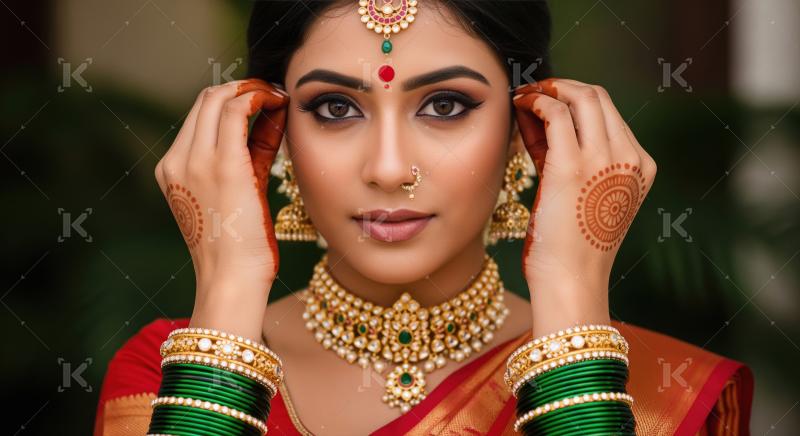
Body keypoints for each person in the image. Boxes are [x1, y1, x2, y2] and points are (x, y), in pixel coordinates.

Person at [94, 1, 754, 435]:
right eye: (334, 109)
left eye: (444, 105)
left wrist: (573, 296)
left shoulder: (665, 393)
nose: (388, 169)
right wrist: (229, 281)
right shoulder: (161, 375)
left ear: (525, 129)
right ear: (275, 131)